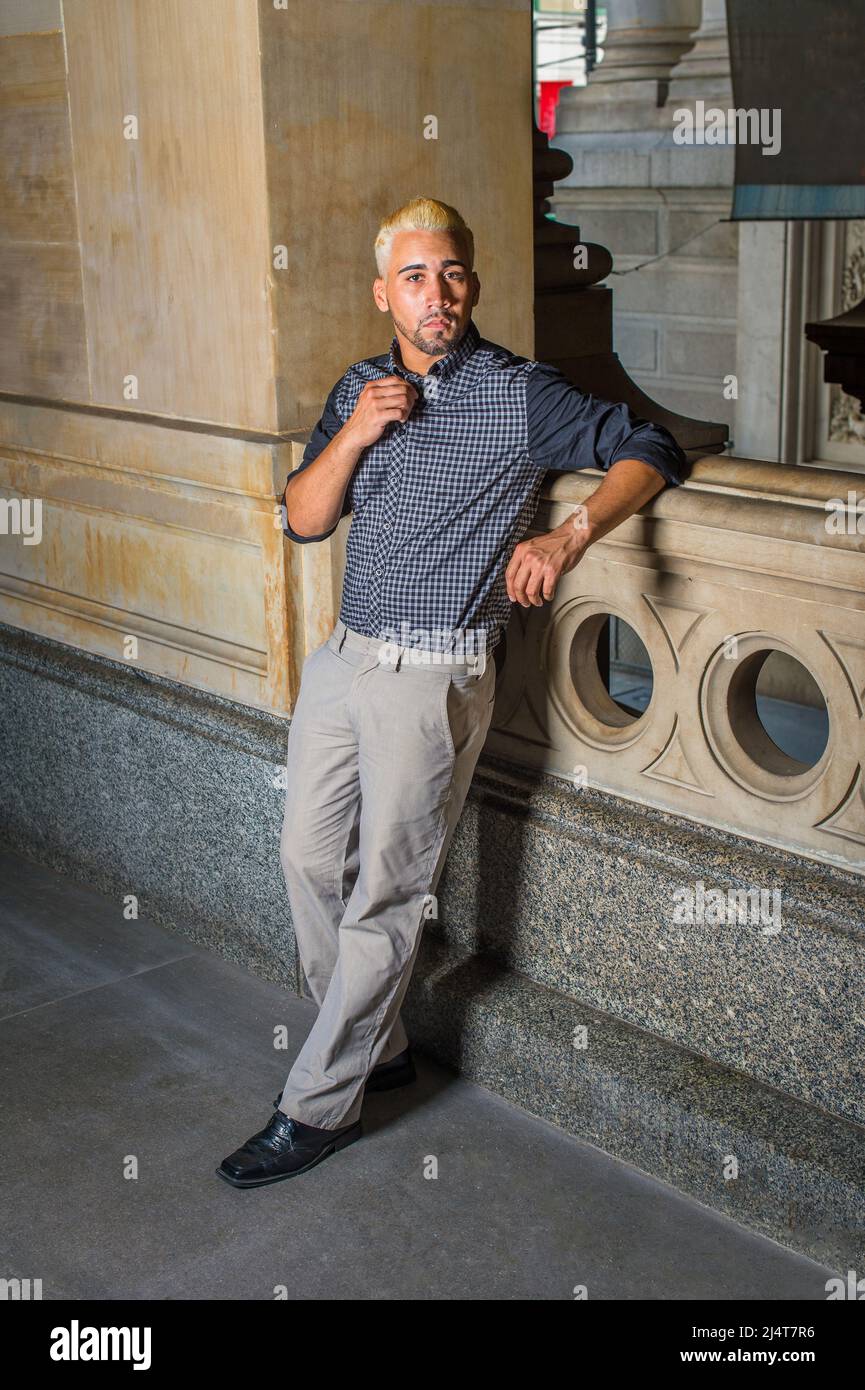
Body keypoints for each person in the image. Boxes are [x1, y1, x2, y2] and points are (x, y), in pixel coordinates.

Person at [216, 196, 687, 1188]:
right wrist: (354, 432)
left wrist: (569, 534)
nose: (439, 293)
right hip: (343, 660)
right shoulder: (360, 385)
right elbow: (303, 518)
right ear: (383, 293)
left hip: (433, 677)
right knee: (307, 861)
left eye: (454, 274)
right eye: (417, 277)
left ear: (471, 285)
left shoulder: (517, 393)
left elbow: (651, 444)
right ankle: (378, 1047)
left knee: (387, 895)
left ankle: (316, 1106)